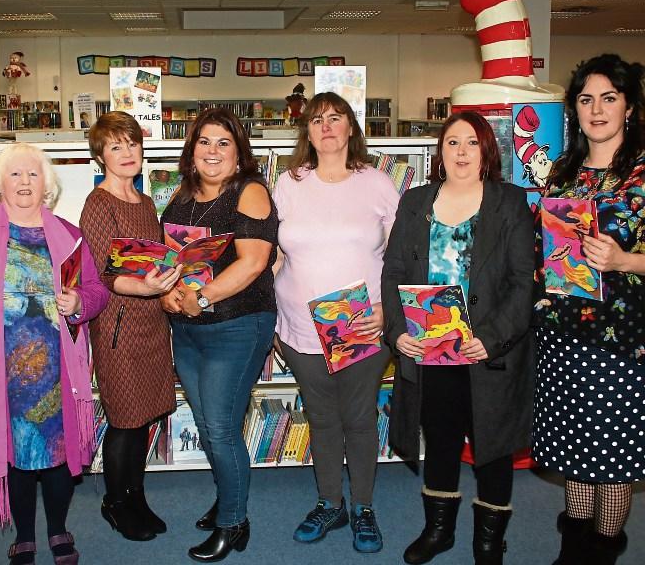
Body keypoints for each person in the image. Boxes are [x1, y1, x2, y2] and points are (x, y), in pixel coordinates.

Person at [381, 111, 535, 565]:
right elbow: (391, 274)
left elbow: (522, 284)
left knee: (492, 446)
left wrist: (490, 338)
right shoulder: (415, 202)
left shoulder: (510, 202)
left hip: (488, 351)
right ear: (440, 152)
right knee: (442, 438)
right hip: (430, 350)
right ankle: (438, 530)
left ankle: (488, 541)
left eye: (472, 142)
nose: (462, 152)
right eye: (452, 143)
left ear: (487, 150)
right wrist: (397, 332)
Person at [531, 54, 645, 565]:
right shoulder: (564, 169)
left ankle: (600, 554)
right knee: (575, 448)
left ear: (629, 106)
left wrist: (625, 259)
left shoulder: (641, 173)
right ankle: (572, 548)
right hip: (562, 331)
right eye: (585, 99)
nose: (596, 109)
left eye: (608, 98)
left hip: (619, 337)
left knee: (612, 455)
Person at [272, 91, 397, 553]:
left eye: (336, 118)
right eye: (317, 119)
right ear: (307, 131)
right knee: (321, 419)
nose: (326, 126)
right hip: (300, 327)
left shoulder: (377, 182)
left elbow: (404, 254)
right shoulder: (288, 182)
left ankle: (363, 508)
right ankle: (330, 503)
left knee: (360, 420)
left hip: (361, 324)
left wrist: (391, 310)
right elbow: (275, 251)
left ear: (350, 127)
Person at [0, 143, 109, 565]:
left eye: (33, 175)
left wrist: (79, 304)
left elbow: (97, 291)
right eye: (15, 175)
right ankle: (25, 535)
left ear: (46, 185)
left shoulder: (68, 235)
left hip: (56, 370)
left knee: (56, 454)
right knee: (16, 456)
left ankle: (57, 530)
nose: (25, 183)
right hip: (1, 369)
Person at [160, 107, 278, 562]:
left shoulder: (250, 193)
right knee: (210, 428)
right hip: (188, 331)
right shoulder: (181, 198)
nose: (213, 151)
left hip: (237, 327)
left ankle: (235, 523)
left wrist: (202, 298)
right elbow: (170, 259)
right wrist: (167, 293)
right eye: (204, 142)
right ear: (191, 152)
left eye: (223, 143)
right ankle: (229, 496)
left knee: (220, 427)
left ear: (238, 152)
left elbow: (253, 262)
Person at [79, 111, 180, 542]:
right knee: (124, 420)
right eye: (115, 146)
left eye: (132, 144)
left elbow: (152, 257)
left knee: (144, 418)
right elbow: (98, 274)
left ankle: (136, 496)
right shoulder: (98, 203)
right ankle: (115, 504)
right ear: (100, 155)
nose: (126, 153)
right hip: (119, 327)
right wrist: (145, 286)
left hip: (152, 324)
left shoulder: (145, 202)